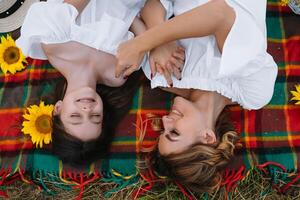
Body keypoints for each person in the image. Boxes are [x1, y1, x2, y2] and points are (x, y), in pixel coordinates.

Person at [115, 0, 278, 193]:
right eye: (174, 132)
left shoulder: (163, 76)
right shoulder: (253, 92)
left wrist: (160, 41)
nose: (166, 120)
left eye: (163, 131)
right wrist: (145, 43)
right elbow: (220, 14)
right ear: (208, 137)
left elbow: (153, 4)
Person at [15, 0, 173, 166]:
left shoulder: (54, 43)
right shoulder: (118, 74)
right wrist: (154, 45)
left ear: (58, 109)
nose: (87, 109)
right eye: (95, 117)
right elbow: (135, 21)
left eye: (75, 116)